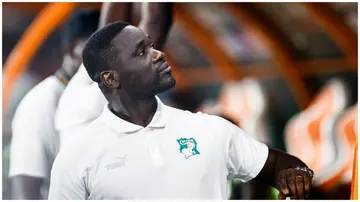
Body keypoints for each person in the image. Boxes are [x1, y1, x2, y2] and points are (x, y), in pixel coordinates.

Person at [48, 22, 314, 200]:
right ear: (110, 79)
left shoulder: (210, 130)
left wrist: (296, 175)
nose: (159, 54)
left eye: (151, 45)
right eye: (141, 52)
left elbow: (286, 167)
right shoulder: (77, 159)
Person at [8, 10, 100, 199]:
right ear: (71, 49)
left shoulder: (91, 96)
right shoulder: (40, 103)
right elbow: (25, 191)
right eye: (99, 50)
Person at [55, 3, 173, 148]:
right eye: (141, 52)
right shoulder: (89, 96)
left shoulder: (83, 93)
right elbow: (155, 20)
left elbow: (154, 21)